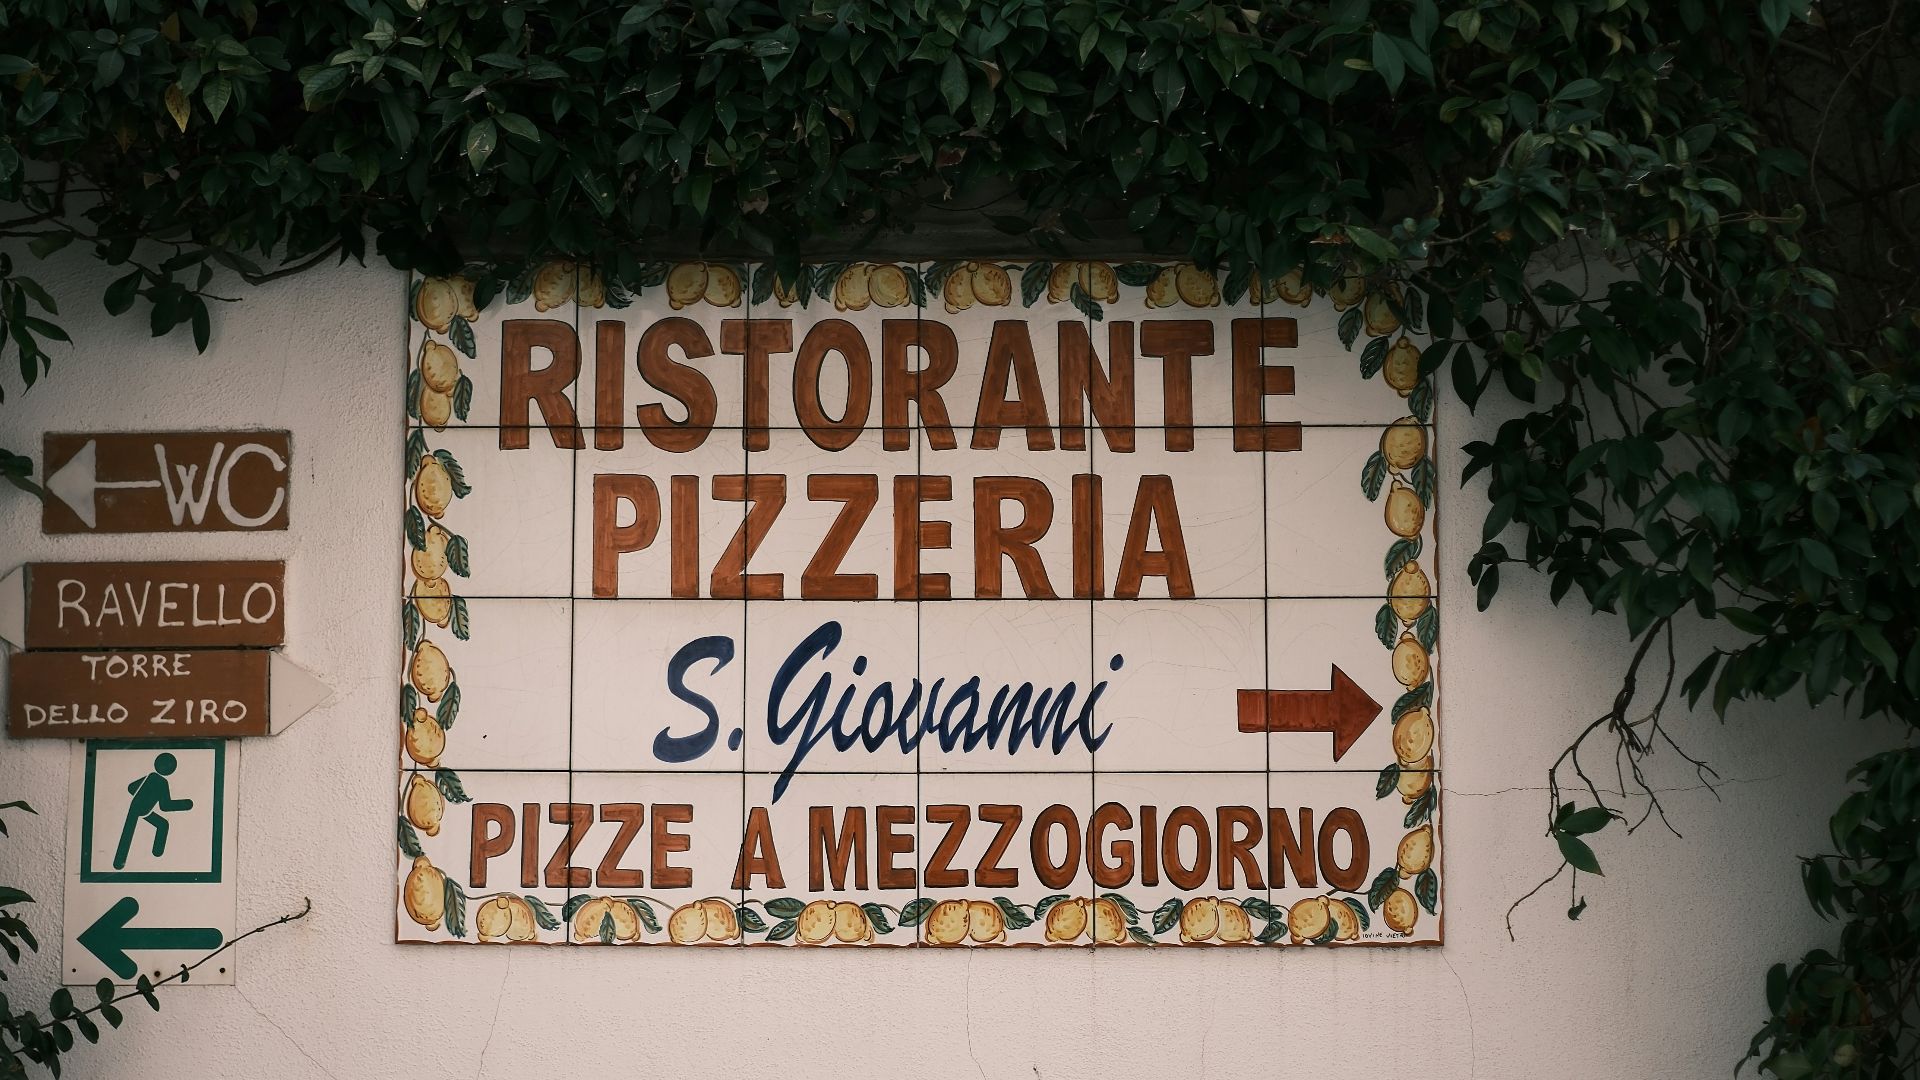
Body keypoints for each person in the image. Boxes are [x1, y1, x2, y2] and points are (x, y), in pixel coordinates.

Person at [113, 753, 194, 870]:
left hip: (137, 807)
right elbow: (165, 806)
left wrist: (143, 795)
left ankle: (121, 862)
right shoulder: (163, 783)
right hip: (143, 809)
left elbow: (131, 788)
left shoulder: (150, 776)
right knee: (162, 825)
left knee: (133, 830)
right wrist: (186, 804)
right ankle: (156, 852)